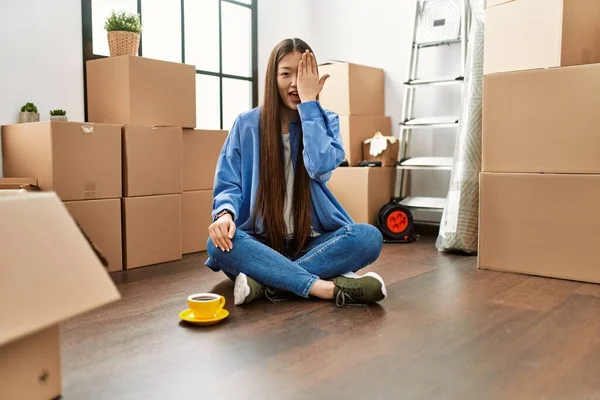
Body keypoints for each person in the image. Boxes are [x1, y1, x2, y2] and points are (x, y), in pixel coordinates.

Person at [205, 38, 386, 307]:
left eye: (301, 74)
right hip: (260, 242)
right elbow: (229, 180)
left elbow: (321, 167)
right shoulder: (247, 124)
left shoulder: (327, 121)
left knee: (368, 238)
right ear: (272, 78)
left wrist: (309, 106)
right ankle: (323, 288)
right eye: (285, 74)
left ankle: (267, 282)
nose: (294, 83)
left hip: (312, 242)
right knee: (217, 244)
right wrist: (224, 215)